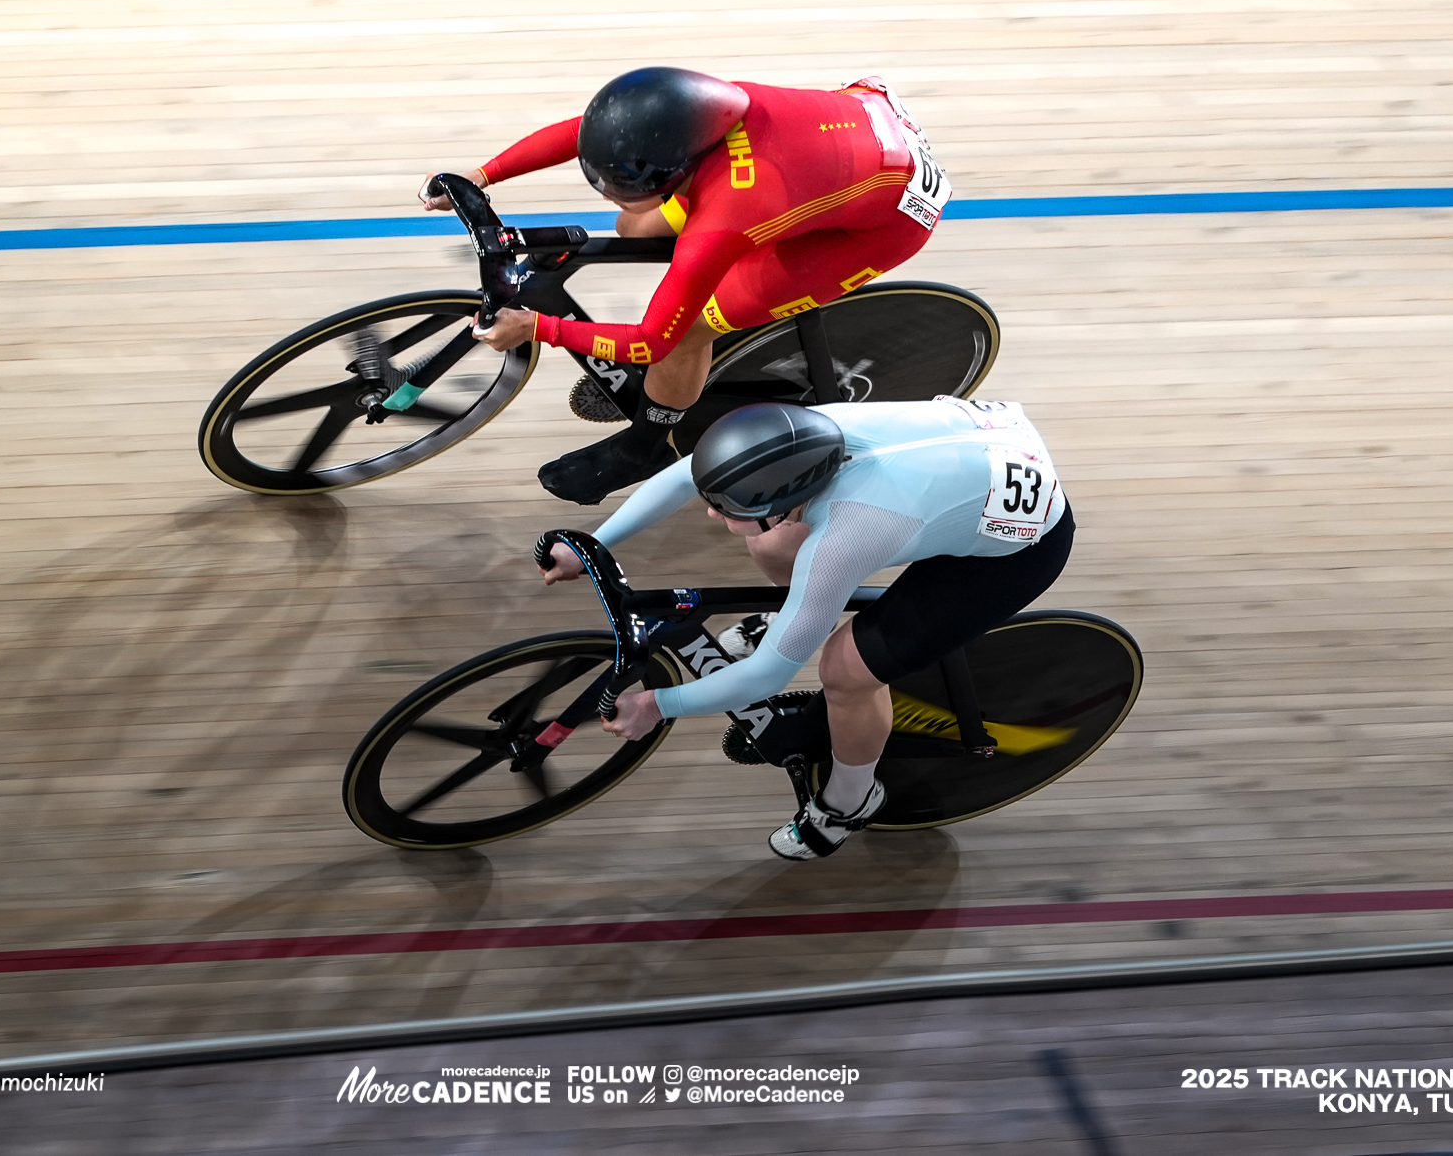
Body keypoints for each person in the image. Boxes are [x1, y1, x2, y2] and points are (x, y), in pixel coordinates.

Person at [538, 397, 1072, 861]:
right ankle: (798, 616)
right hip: (958, 476)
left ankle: (850, 801)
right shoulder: (804, 431)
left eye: (727, 507)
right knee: (767, 541)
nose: (708, 514)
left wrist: (659, 706)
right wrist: (594, 546)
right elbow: (685, 475)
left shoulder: (847, 533)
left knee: (845, 671)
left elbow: (767, 677)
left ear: (786, 501)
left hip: (1010, 554)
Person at [422, 66, 950, 505]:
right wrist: (480, 176)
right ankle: (705, 298)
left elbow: (651, 342)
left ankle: (647, 445)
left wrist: (538, 327)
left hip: (882, 221)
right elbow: (592, 130)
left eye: (616, 185)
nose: (606, 195)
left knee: (687, 329)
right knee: (635, 227)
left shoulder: (728, 214)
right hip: (848, 138)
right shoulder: (704, 105)